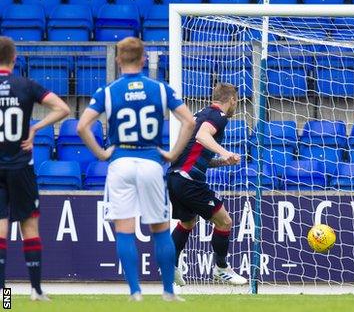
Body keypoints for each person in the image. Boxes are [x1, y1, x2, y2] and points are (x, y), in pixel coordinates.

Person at [77, 37, 195, 301]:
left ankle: (135, 292)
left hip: (121, 161)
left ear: (118, 60)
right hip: (151, 161)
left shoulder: (108, 91)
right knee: (160, 229)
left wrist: (101, 153)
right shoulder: (160, 89)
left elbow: (82, 126)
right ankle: (167, 292)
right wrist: (173, 153)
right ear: (143, 59)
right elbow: (188, 121)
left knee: (125, 228)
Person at [0, 36, 70, 301]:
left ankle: (2, 296)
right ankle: (36, 291)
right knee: (29, 225)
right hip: (21, 164)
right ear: (14, 58)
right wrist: (36, 128)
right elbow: (62, 108)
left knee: (0, 230)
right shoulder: (26, 85)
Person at [168, 82, 247, 287]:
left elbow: (196, 153)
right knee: (225, 222)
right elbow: (203, 137)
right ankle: (221, 269)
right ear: (231, 100)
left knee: (187, 223)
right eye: (236, 101)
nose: (235, 105)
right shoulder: (218, 117)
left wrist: (222, 161)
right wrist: (225, 152)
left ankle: (170, 264)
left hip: (176, 177)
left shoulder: (200, 114)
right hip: (189, 181)